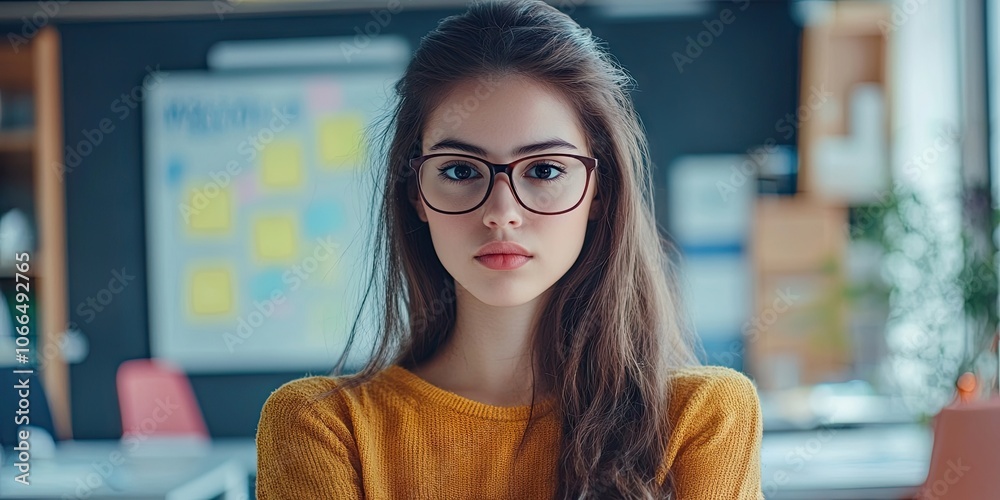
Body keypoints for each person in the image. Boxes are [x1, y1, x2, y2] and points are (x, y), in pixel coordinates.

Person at [255, 1, 763, 498]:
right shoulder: (321, 427)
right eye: (460, 170)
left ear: (598, 192)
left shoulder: (701, 416)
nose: (501, 212)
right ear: (417, 195)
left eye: (544, 170)